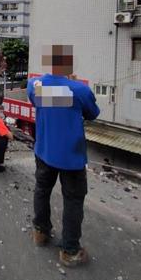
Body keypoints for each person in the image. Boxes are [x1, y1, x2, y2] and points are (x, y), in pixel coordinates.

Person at [26, 45, 100, 267]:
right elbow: (92, 114)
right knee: (73, 200)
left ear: (49, 64)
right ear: (69, 66)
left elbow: (42, 98)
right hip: (71, 157)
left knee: (42, 190)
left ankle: (40, 232)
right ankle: (69, 250)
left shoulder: (35, 85)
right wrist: (72, 84)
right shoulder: (79, 91)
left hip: (44, 151)